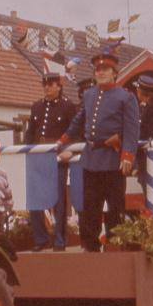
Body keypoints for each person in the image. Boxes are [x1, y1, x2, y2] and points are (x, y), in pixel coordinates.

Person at [58, 48, 139, 252]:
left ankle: (114, 244)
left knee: (114, 207)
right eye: (98, 70)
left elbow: (132, 129)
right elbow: (80, 119)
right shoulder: (89, 94)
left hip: (112, 159)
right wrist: (64, 139)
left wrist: (128, 154)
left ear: (114, 72)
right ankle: (90, 246)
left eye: (105, 69)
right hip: (91, 158)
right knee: (90, 207)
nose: (101, 73)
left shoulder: (125, 97)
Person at [25, 73, 77, 251]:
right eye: (44, 84)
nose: (46, 88)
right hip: (39, 157)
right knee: (34, 200)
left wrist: (69, 150)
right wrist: (28, 152)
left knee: (58, 201)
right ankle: (41, 239)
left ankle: (60, 239)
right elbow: (31, 133)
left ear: (59, 86)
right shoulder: (37, 106)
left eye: (50, 84)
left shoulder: (68, 106)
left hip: (58, 158)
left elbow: (75, 132)